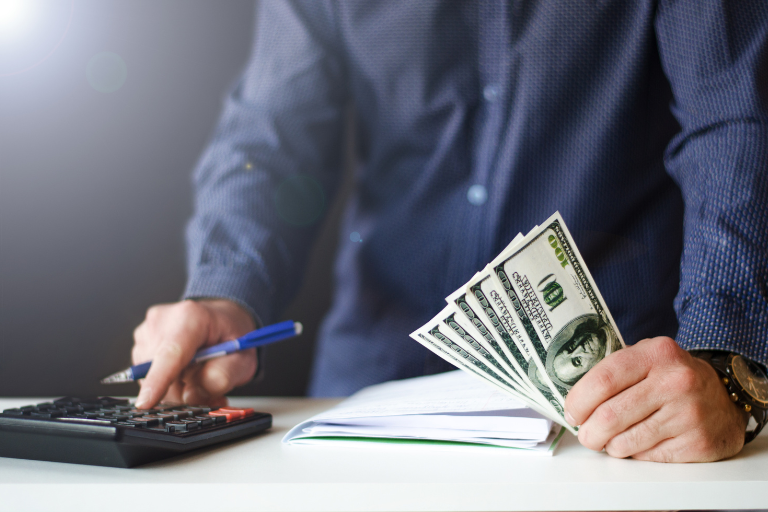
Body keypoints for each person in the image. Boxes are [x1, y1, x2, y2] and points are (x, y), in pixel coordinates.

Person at [130, 1, 768, 462]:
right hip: (372, 385)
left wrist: (726, 361)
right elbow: (271, 139)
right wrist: (223, 290)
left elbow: (737, 118)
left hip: (618, 399)